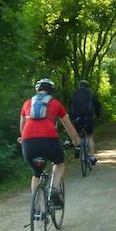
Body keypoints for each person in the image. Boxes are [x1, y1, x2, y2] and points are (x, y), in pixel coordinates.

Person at [18, 78, 80, 206]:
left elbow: (22, 128)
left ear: (37, 90)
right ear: (51, 91)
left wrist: (23, 139)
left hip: (28, 142)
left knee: (36, 174)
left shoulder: (27, 104)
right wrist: (76, 143)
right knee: (59, 162)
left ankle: (36, 208)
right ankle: (55, 190)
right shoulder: (55, 104)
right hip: (49, 140)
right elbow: (68, 126)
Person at [68, 79, 102, 164]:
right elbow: (98, 105)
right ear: (88, 87)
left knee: (77, 134)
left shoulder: (74, 94)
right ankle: (92, 157)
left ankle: (77, 147)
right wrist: (97, 115)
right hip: (88, 119)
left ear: (79, 86)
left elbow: (69, 105)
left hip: (77, 119)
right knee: (90, 137)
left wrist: (72, 117)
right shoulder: (90, 94)